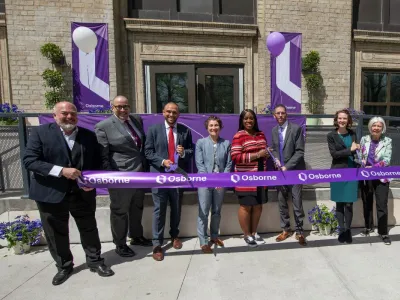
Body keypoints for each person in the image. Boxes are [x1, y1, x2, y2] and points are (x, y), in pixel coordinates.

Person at [23, 102, 114, 286]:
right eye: (64, 113)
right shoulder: (41, 133)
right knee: (56, 233)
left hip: (82, 193)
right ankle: (64, 266)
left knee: (89, 229)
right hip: (51, 193)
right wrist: (61, 170)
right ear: (55, 115)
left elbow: (97, 163)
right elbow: (30, 161)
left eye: (72, 114)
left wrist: (93, 182)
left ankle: (95, 261)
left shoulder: (88, 136)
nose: (69, 117)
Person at [95, 95, 151, 258]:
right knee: (120, 210)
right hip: (120, 175)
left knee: (136, 207)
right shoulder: (103, 126)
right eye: (119, 107)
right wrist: (111, 177)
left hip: (140, 173)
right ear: (112, 107)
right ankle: (120, 244)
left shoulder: (136, 120)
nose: (123, 110)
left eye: (125, 106)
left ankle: (136, 236)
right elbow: (103, 155)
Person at [144, 102, 193, 261]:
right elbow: (148, 152)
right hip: (159, 177)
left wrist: (183, 152)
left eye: (174, 112)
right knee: (160, 209)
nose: (171, 115)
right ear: (163, 112)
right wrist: (162, 161)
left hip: (178, 176)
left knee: (176, 207)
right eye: (168, 112)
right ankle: (157, 244)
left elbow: (190, 151)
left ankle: (174, 236)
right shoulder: (153, 130)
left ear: (178, 114)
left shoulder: (185, 131)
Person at [231, 109, 269, 247]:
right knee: (246, 207)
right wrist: (257, 155)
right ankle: (246, 235)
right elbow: (235, 157)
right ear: (242, 120)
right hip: (245, 178)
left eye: (251, 118)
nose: (249, 121)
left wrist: (267, 154)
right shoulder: (238, 136)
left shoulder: (261, 134)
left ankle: (254, 233)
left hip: (261, 177)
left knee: (258, 206)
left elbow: (264, 151)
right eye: (246, 118)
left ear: (255, 120)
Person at [195, 116, 232, 254]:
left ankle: (214, 236)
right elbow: (200, 164)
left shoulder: (226, 143)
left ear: (220, 127)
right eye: (211, 125)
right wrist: (210, 179)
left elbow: (228, 164)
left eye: (216, 125)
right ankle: (203, 241)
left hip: (220, 183)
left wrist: (221, 180)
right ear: (207, 127)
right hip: (205, 181)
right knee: (203, 212)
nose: (213, 128)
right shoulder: (200, 143)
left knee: (216, 211)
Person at [271, 104, 307, 246]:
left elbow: (299, 151)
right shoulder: (274, 130)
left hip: (295, 171)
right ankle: (286, 229)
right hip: (280, 173)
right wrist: (276, 159)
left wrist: (287, 166)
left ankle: (299, 231)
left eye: (282, 113)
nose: (280, 115)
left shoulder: (296, 129)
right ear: (274, 115)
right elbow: (274, 148)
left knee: (297, 202)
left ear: (286, 114)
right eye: (278, 113)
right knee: (281, 201)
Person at [327, 109, 360, 244]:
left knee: (349, 203)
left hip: (352, 171)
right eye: (340, 118)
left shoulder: (352, 134)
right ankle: (341, 230)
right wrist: (350, 150)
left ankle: (348, 230)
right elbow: (334, 154)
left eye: (344, 118)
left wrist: (357, 149)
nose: (342, 121)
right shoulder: (331, 135)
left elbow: (355, 153)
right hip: (337, 171)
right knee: (339, 202)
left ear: (348, 120)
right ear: (336, 120)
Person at [359, 116, 392, 245]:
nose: (376, 128)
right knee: (367, 202)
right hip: (366, 176)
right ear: (370, 127)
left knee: (381, 205)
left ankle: (383, 232)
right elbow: (361, 155)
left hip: (382, 177)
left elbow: (387, 160)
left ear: (382, 128)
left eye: (379, 126)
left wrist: (373, 167)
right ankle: (368, 227)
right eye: (374, 125)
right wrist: (361, 161)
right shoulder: (364, 139)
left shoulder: (387, 141)